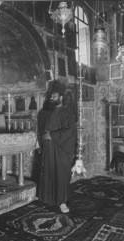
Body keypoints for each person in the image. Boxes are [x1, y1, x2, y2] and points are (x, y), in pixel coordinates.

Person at [37, 84, 77, 213]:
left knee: (61, 175)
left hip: (61, 150)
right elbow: (42, 130)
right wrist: (40, 141)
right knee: (49, 173)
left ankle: (62, 202)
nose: (51, 98)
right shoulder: (46, 113)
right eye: (50, 97)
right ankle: (49, 199)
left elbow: (69, 131)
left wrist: (52, 135)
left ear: (61, 97)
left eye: (54, 96)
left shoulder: (66, 113)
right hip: (48, 149)